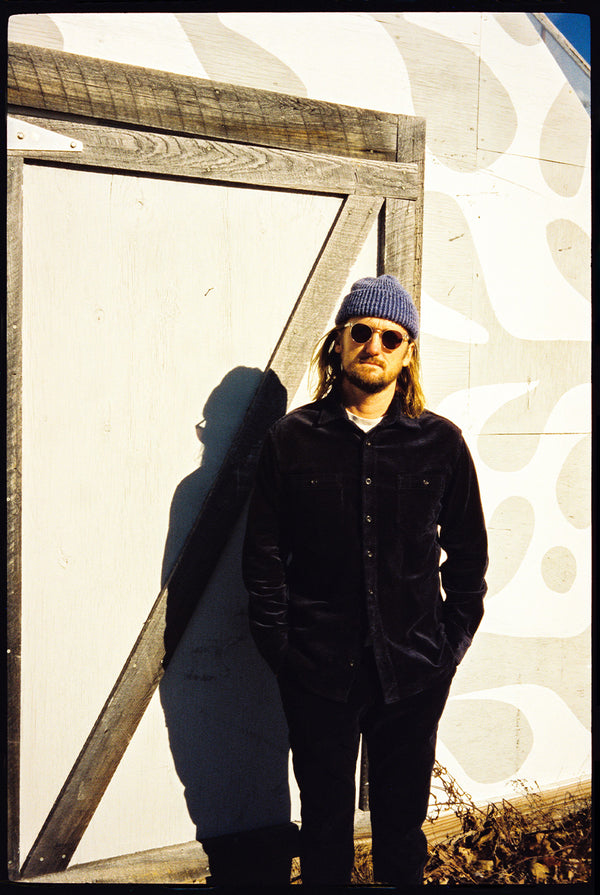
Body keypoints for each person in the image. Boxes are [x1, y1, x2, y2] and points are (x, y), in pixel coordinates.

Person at [242, 274, 488, 885]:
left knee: (402, 829)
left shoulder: (442, 444)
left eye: (390, 336)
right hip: (317, 673)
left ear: (407, 355)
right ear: (339, 343)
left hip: (413, 675)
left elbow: (468, 562)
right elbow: (263, 561)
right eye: (361, 331)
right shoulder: (291, 440)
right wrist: (284, 653)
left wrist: (445, 653)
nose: (373, 345)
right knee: (323, 825)